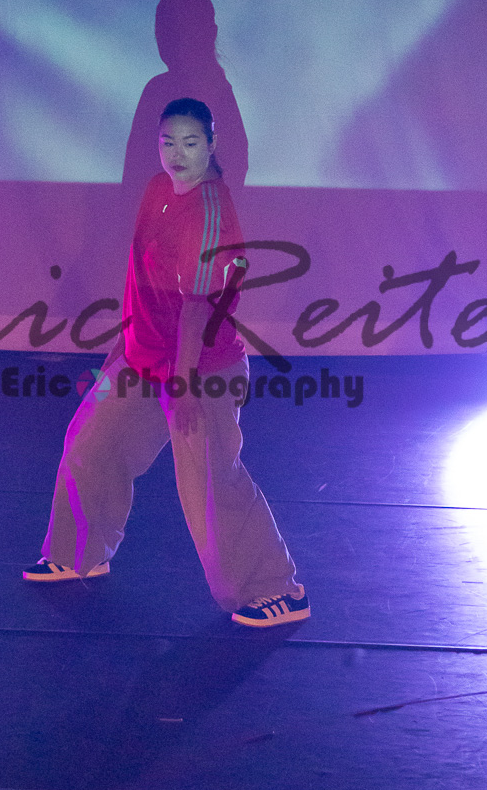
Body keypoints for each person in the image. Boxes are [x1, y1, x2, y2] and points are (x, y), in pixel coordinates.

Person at [24, 98, 309, 628]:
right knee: (91, 442)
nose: (177, 154)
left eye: (191, 143)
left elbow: (198, 306)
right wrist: (124, 344)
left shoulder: (210, 210)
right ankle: (79, 553)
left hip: (200, 370)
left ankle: (278, 590)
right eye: (168, 142)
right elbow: (142, 279)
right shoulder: (158, 189)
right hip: (144, 356)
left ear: (212, 145)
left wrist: (182, 386)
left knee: (209, 482)